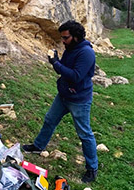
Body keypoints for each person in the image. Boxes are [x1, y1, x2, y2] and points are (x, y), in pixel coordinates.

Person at [22, 20, 98, 183]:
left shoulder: (86, 53)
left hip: (79, 99)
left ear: (76, 36)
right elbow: (64, 68)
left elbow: (76, 76)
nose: (63, 41)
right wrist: (56, 60)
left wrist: (56, 63)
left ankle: (92, 168)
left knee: (84, 134)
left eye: (66, 38)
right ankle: (38, 146)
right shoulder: (71, 48)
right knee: (50, 120)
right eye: (62, 38)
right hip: (64, 96)